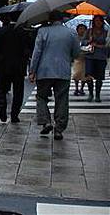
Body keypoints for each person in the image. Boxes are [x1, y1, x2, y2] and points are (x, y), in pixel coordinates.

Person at [29, 11, 80, 140]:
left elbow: (36, 53)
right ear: (62, 19)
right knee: (62, 99)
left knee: (41, 97)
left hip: (44, 71)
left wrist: (32, 71)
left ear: (50, 20)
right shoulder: (71, 33)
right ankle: (59, 129)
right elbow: (76, 52)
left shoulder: (43, 32)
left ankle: (46, 121)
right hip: (63, 71)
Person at [0, 16, 32, 123]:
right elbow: (28, 49)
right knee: (18, 91)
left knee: (2, 89)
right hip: (19, 67)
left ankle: (2, 108)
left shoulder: (2, 31)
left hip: (4, 65)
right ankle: (14, 114)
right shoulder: (23, 33)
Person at [83, 15, 109, 102]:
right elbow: (83, 42)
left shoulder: (106, 32)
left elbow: (107, 45)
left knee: (99, 77)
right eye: (96, 21)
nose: (98, 22)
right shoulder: (89, 31)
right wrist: (89, 41)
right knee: (88, 75)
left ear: (102, 22)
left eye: (99, 21)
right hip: (90, 56)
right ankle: (90, 94)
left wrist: (98, 45)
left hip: (101, 56)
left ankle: (97, 95)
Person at [72, 23, 88, 96]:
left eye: (83, 29)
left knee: (84, 74)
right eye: (80, 29)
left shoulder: (87, 38)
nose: (82, 30)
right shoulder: (75, 38)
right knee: (77, 73)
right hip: (77, 57)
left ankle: (82, 88)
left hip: (85, 57)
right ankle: (76, 88)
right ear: (77, 30)